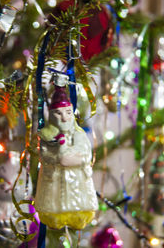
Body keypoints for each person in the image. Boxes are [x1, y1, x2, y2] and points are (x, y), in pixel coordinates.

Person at [34, 76, 98, 230]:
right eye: (58, 113)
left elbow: (82, 156)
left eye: (68, 112)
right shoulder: (47, 137)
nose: (64, 118)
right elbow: (47, 155)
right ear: (51, 115)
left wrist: (67, 156)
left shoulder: (79, 135)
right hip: (54, 188)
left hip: (78, 190)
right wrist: (62, 156)